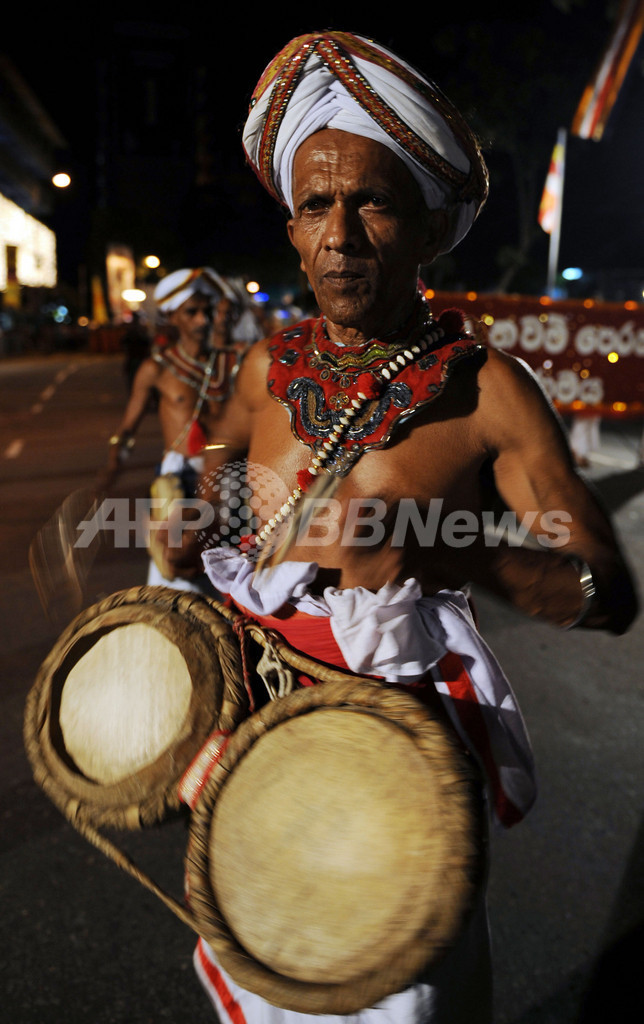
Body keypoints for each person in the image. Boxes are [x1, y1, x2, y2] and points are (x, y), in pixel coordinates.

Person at [162, 31, 637, 1023]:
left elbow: (608, 592)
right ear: (290, 231)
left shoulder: (488, 395)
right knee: (267, 970)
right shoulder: (264, 369)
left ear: (426, 230)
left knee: (401, 998)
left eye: (371, 202)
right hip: (254, 739)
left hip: (398, 779)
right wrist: (197, 517)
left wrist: (445, 545)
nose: (337, 236)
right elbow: (226, 477)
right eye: (313, 206)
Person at [105, 266, 242, 594]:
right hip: (180, 478)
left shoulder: (231, 364)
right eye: (191, 312)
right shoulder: (156, 369)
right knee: (180, 568)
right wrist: (112, 466)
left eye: (206, 310)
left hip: (225, 475)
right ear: (172, 316)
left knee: (232, 565)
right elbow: (127, 428)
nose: (202, 319)